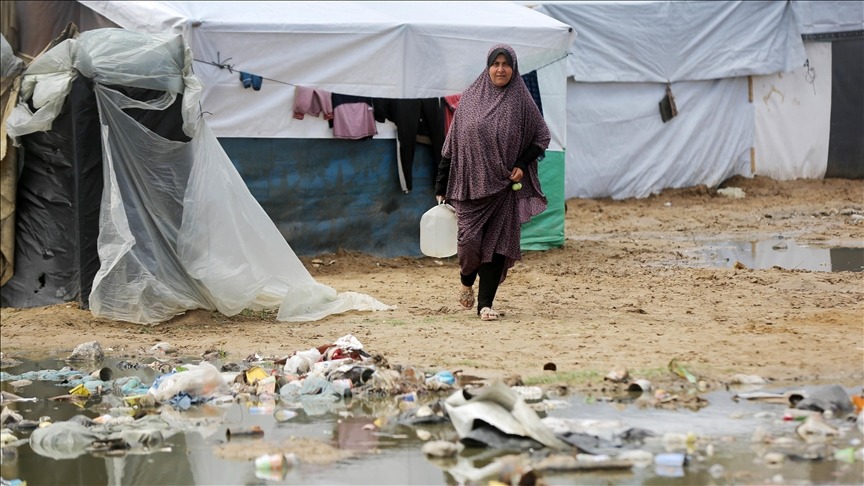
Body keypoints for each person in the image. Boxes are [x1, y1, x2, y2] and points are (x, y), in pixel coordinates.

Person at [434, 44, 550, 321]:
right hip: (469, 186)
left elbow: (541, 137)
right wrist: (441, 186)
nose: (500, 69)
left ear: (514, 68)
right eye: (495, 64)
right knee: (470, 243)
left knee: (497, 246)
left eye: (505, 64)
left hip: (503, 187)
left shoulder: (521, 100)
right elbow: (451, 146)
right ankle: (465, 280)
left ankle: (485, 304)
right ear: (487, 67)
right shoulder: (471, 98)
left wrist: (522, 164)